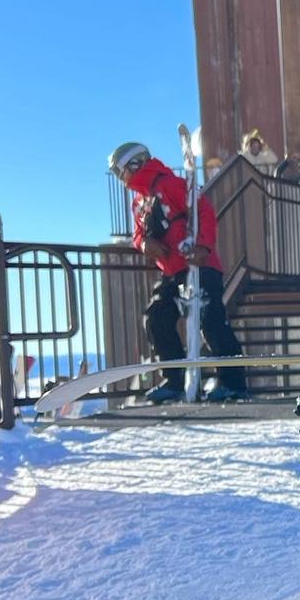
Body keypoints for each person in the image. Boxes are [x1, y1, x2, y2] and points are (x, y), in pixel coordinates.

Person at [107, 141, 247, 405]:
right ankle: (174, 381)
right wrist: (145, 244)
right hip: (171, 271)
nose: (120, 178)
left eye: (120, 171)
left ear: (135, 164)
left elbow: (203, 211)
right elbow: (138, 235)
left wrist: (204, 246)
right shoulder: (139, 201)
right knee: (156, 319)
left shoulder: (170, 184)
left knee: (210, 321)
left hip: (199, 266)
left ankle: (233, 383)